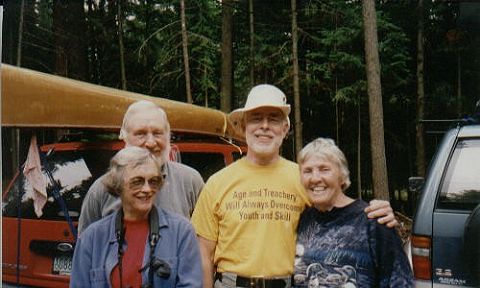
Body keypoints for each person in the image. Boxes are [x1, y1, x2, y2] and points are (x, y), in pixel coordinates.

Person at [191, 84, 398, 288]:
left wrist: (376, 214)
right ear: (244, 126)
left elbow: (344, 215)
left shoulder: (305, 180)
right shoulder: (217, 183)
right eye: (256, 118)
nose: (264, 126)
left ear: (285, 128)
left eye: (273, 119)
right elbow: (203, 255)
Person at [70, 146, 202, 287]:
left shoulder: (181, 232)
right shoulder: (92, 237)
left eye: (153, 181)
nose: (146, 189)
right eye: (137, 182)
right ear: (118, 185)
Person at [293, 138, 413, 287]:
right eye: (307, 171)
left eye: (324, 169)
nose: (315, 178)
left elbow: (400, 282)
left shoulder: (373, 221)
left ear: (341, 176)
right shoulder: (303, 219)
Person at [78, 100, 204, 233]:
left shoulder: (190, 182)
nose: (150, 142)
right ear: (124, 136)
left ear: (168, 136)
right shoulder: (101, 190)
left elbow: (205, 245)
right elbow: (86, 248)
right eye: (141, 133)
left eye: (157, 133)